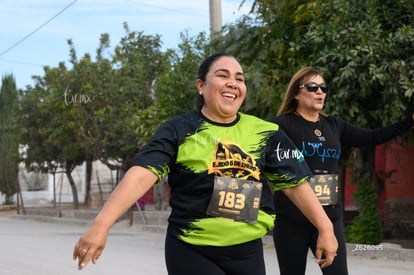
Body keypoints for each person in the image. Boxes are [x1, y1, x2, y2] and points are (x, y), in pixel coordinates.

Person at [73, 54, 338, 275]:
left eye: (239, 78)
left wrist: (325, 228)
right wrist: (101, 224)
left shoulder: (265, 132)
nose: (232, 83)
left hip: (248, 250)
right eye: (223, 76)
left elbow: (295, 183)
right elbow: (142, 174)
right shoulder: (179, 130)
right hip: (191, 248)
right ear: (201, 85)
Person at [268, 66, 414, 275]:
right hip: (292, 219)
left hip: (330, 218)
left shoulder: (334, 126)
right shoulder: (281, 125)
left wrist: (409, 121)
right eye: (312, 87)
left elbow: (372, 137)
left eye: (323, 87)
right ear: (297, 94)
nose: (320, 92)